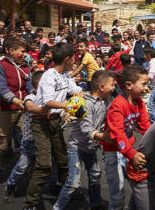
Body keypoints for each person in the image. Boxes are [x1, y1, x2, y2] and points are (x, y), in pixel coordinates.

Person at [23, 42, 83, 209]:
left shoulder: (65, 75)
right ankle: (30, 203)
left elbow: (77, 90)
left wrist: (84, 97)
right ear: (67, 59)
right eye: (74, 57)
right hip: (41, 122)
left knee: (63, 160)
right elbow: (48, 101)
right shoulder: (49, 75)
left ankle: (66, 192)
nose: (75, 60)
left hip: (55, 121)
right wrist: (69, 106)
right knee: (44, 164)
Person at [53, 70, 115, 210]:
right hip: (77, 147)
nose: (113, 87)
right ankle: (57, 207)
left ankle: (95, 204)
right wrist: (102, 137)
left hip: (91, 147)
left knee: (95, 175)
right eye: (111, 85)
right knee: (73, 183)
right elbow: (86, 128)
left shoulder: (106, 101)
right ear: (101, 87)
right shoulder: (86, 103)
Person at [0, 37, 33, 192]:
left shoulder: (26, 67)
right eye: (22, 51)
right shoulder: (0, 66)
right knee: (2, 143)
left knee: (28, 140)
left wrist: (33, 97)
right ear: (10, 51)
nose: (25, 54)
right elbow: (3, 89)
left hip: (24, 108)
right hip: (7, 109)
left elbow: (30, 86)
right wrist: (17, 101)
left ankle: (27, 171)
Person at [101, 65, 151, 209]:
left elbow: (146, 127)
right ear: (129, 85)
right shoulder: (117, 105)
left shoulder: (139, 103)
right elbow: (117, 135)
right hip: (113, 152)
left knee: (140, 188)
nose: (147, 88)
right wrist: (132, 154)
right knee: (117, 196)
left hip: (127, 150)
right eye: (143, 84)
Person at [4, 71, 48, 201]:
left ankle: (38, 189)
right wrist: (52, 109)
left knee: (43, 167)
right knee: (22, 166)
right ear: (36, 86)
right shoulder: (31, 97)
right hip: (30, 141)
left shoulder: (50, 100)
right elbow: (30, 108)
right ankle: (10, 185)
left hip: (44, 140)